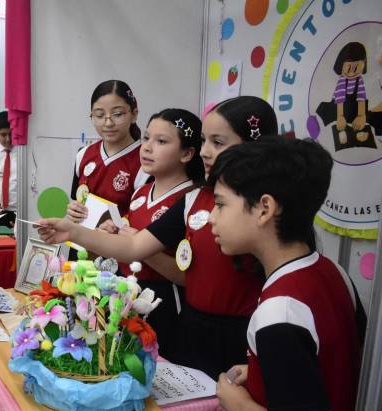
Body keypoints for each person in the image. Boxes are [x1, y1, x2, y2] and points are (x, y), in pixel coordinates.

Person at [38, 96, 278, 377]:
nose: (205, 152)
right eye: (204, 141)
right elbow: (134, 246)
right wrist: (74, 231)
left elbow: (186, 271)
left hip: (240, 331)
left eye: (218, 142)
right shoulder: (195, 199)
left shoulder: (266, 206)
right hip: (191, 325)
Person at [210, 138, 366, 411]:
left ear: (265, 208)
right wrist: (260, 373)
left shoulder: (279, 312)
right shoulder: (333, 272)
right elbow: (324, 368)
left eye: (220, 204)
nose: (211, 217)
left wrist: (240, 404)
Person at [102, 108, 204, 361]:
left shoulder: (192, 201)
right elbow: (128, 241)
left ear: (187, 153)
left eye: (161, 141)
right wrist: (111, 233)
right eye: (146, 138)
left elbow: (188, 277)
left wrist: (140, 248)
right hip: (126, 295)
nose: (146, 147)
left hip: (164, 303)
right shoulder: (139, 193)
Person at [67, 80, 148, 222]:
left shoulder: (145, 162)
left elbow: (143, 220)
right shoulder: (83, 154)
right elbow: (76, 199)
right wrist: (73, 209)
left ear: (134, 114)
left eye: (117, 114)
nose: (108, 123)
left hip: (119, 243)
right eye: (99, 115)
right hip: (79, 242)